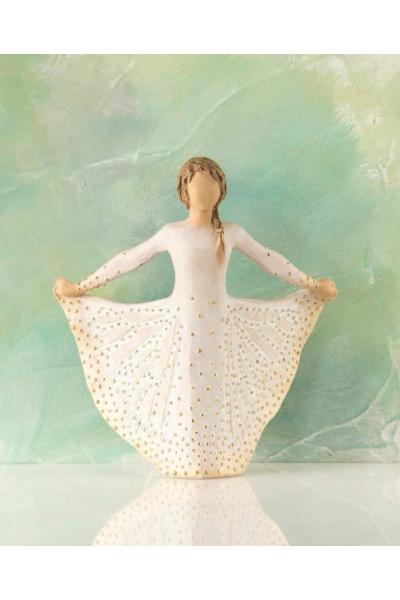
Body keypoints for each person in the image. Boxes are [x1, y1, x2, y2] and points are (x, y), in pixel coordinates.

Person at [53, 156, 337, 478]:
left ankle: (217, 459)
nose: (204, 190)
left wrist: (312, 284)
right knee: (184, 390)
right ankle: (186, 459)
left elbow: (270, 260)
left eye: (211, 183)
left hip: (220, 325)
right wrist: (81, 287)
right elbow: (129, 259)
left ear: (221, 189)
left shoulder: (232, 233)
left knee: (217, 388)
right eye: (197, 183)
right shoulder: (172, 233)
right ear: (184, 191)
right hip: (182, 325)